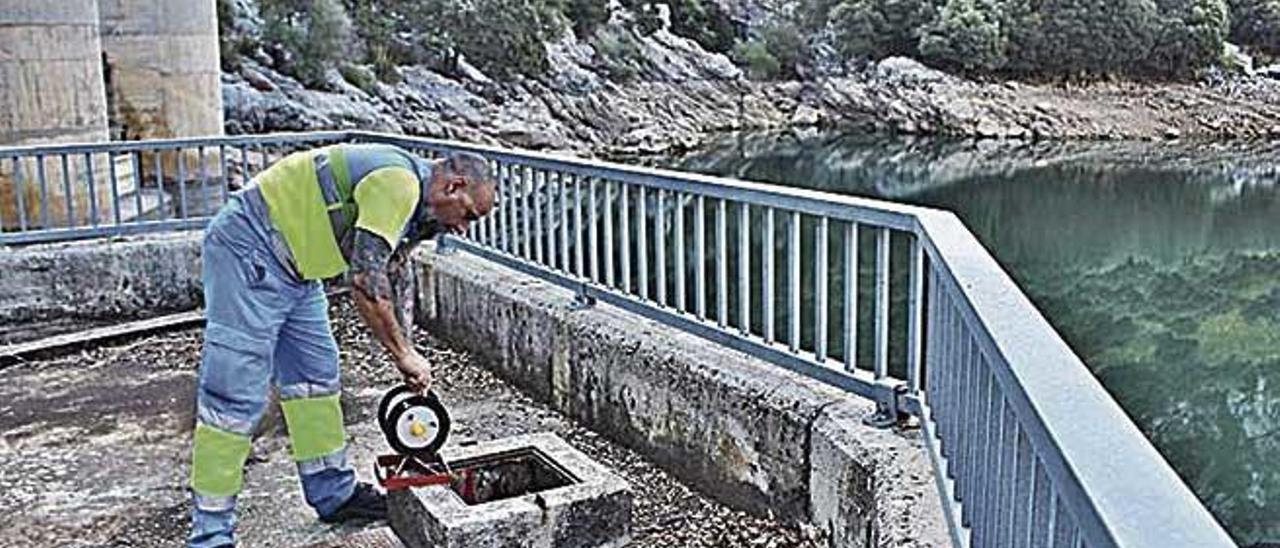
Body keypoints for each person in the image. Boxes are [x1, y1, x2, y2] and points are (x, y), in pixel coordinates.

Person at [188, 143, 496, 547]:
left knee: (315, 379)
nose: (462, 228)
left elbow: (394, 273)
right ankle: (210, 534)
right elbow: (367, 283)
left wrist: (408, 354)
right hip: (250, 250)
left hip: (297, 271)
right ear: (454, 186)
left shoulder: (417, 203)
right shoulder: (398, 183)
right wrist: (402, 355)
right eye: (469, 215)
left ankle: (333, 493)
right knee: (234, 396)